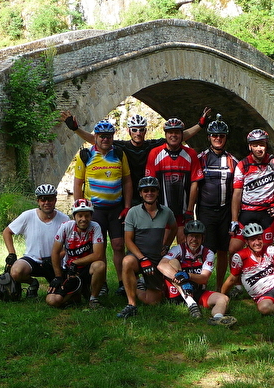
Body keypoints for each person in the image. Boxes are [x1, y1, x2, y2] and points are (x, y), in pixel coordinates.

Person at [61, 108, 211, 206]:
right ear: (129, 131)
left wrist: (200, 124)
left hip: (149, 193)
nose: (138, 133)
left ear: (145, 131)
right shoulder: (121, 147)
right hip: (128, 195)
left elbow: (178, 136)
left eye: (141, 130)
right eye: (134, 130)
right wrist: (75, 129)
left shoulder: (152, 145)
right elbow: (97, 140)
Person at [228, 128, 274, 297]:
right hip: (247, 212)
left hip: (267, 215)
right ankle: (238, 284)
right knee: (233, 248)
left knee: (266, 253)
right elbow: (237, 194)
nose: (259, 148)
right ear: (250, 147)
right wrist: (233, 219)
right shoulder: (242, 165)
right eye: (255, 145)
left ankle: (271, 285)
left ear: (266, 145)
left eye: (262, 144)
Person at [73, 120, 132, 295]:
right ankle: (102, 282)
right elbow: (78, 184)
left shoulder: (119, 154)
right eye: (102, 136)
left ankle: (122, 283)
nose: (105, 139)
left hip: (116, 208)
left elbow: (127, 180)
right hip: (95, 209)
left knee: (119, 245)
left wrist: (127, 206)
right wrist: (80, 209)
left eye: (109, 136)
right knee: (99, 246)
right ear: (95, 137)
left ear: (112, 137)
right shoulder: (85, 155)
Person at [116, 176, 177, 318]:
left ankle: (137, 285)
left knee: (153, 301)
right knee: (127, 262)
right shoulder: (133, 212)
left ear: (157, 192)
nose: (149, 193)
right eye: (145, 191)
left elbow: (174, 228)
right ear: (140, 193)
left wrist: (167, 244)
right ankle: (131, 304)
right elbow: (128, 241)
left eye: (152, 190)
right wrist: (142, 258)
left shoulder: (166, 212)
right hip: (138, 258)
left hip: (156, 258)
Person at [158, 220, 237, 326]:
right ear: (186, 237)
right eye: (191, 236)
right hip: (178, 293)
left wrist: (188, 276)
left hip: (197, 291)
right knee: (173, 262)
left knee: (223, 298)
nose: (194, 239)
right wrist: (182, 279)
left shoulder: (208, 253)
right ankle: (191, 303)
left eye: (198, 236)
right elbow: (161, 265)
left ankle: (218, 319)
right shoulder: (178, 249)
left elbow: (204, 278)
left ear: (203, 238)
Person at [1, 184, 69, 297]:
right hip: (32, 259)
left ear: (55, 200)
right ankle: (32, 283)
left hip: (54, 262)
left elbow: (69, 246)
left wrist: (56, 257)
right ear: (38, 201)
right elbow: (7, 232)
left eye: (50, 199)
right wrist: (12, 253)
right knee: (16, 271)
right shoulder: (28, 215)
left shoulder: (65, 219)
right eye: (43, 199)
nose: (46, 202)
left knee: (62, 293)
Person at [196, 114, 238, 290]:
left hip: (225, 211)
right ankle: (202, 284)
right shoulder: (201, 159)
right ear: (209, 137)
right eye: (214, 135)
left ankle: (220, 286)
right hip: (206, 210)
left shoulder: (232, 161)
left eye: (221, 136)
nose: (218, 138)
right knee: (205, 249)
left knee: (223, 249)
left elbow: (238, 189)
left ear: (226, 138)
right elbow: (193, 186)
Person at [145, 118, 204, 244]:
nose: (173, 135)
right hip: (161, 210)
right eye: (170, 132)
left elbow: (195, 184)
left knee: (183, 245)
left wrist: (189, 210)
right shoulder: (155, 153)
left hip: (182, 211)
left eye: (177, 132)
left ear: (182, 135)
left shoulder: (190, 154)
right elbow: (150, 185)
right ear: (165, 134)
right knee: (161, 245)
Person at [46, 199, 106, 309]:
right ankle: (77, 293)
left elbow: (98, 255)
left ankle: (93, 299)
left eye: (87, 216)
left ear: (91, 216)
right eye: (80, 216)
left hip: (86, 269)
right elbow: (55, 252)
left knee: (100, 265)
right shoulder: (65, 227)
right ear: (74, 217)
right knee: (52, 301)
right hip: (68, 271)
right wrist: (58, 277)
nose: (84, 219)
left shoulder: (95, 227)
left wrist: (75, 263)